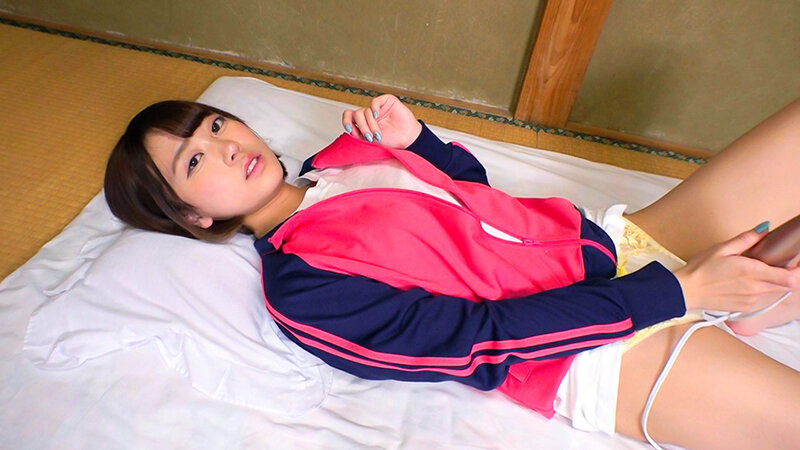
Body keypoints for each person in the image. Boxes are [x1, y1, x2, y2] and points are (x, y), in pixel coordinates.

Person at [104, 94, 800, 448]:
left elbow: (479, 202)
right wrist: (675, 293)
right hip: (588, 353)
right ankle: (739, 300)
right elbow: (476, 341)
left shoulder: (341, 156)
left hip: (609, 245)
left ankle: (756, 302)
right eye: (195, 160)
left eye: (215, 125)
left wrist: (419, 142)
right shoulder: (299, 288)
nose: (226, 147)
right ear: (192, 216)